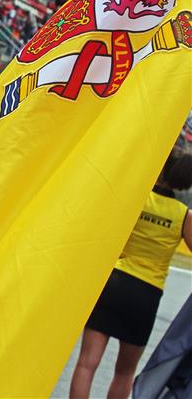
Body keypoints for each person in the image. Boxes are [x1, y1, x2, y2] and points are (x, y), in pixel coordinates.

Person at [70, 149, 192, 399]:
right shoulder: (183, 216)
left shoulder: (136, 199)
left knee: (86, 363)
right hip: (146, 294)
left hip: (113, 283)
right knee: (124, 373)